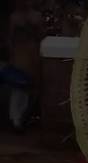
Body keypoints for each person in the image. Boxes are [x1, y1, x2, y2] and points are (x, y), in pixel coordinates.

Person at [8, 0, 44, 131]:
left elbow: (41, 35)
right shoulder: (15, 17)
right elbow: (11, 38)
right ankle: (16, 119)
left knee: (31, 86)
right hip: (20, 53)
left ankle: (24, 117)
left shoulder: (36, 16)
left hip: (33, 53)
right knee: (18, 86)